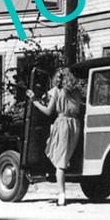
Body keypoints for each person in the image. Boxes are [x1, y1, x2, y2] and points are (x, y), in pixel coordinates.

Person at [27, 66, 83, 206]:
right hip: (75, 124)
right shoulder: (76, 92)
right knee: (66, 155)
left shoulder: (56, 91)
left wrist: (34, 101)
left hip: (62, 124)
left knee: (60, 162)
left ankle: (62, 194)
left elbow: (48, 111)